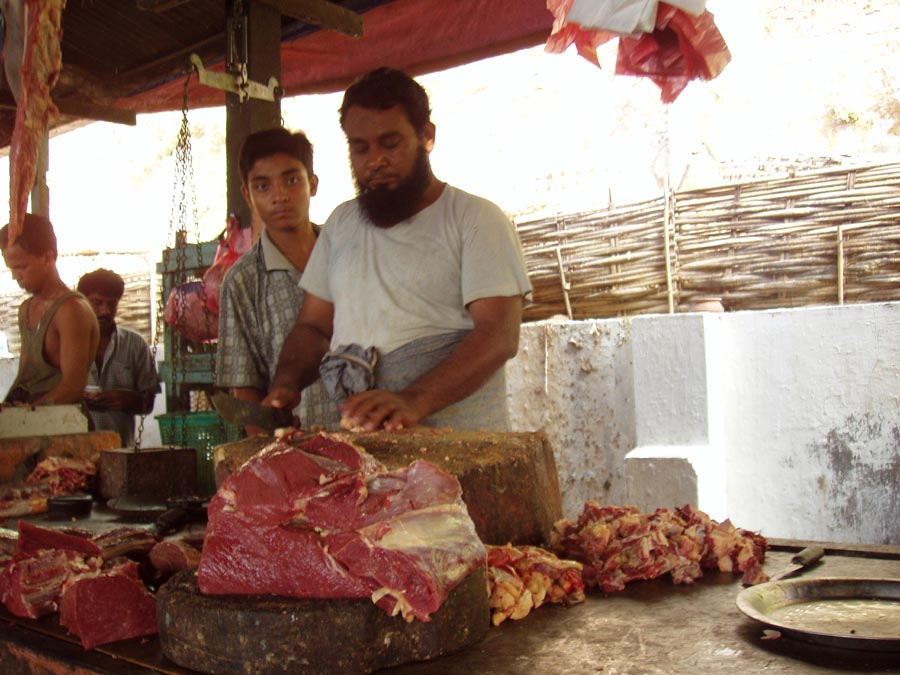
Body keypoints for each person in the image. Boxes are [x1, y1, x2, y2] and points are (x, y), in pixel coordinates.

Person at [266, 67, 532, 432]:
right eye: (360, 148)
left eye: (390, 144)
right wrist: (286, 383)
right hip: (364, 444)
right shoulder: (341, 225)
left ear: (426, 137)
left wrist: (414, 400)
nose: (375, 160)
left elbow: (499, 335)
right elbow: (313, 326)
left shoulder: (476, 219)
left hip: (458, 446)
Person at [216, 126, 340, 434]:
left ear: (312, 184)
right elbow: (245, 390)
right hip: (303, 451)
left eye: (292, 180)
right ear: (247, 194)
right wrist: (270, 451)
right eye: (262, 186)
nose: (280, 195)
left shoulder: (348, 249)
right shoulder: (242, 281)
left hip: (378, 437)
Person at [1, 213, 99, 405]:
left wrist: (28, 414)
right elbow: (25, 378)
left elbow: (72, 388)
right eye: (11, 269)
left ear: (47, 257)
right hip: (32, 421)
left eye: (21, 267)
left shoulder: (71, 310)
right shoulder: (26, 310)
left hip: (63, 425)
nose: (16, 277)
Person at [77, 268, 160, 447]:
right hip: (76, 449)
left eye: (112, 304)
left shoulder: (135, 345)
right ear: (82, 302)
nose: (105, 311)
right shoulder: (67, 344)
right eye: (97, 303)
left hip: (121, 450)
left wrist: (131, 400)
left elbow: (148, 404)